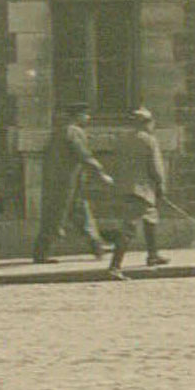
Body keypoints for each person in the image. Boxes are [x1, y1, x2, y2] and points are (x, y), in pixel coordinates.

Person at [40, 104, 112, 265]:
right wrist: (101, 174)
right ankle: (41, 253)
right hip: (66, 182)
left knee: (81, 213)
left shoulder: (60, 130)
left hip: (65, 180)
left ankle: (97, 246)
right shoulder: (73, 132)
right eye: (85, 115)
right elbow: (84, 156)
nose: (88, 118)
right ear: (77, 116)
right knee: (56, 216)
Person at [107, 107, 169, 277]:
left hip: (126, 187)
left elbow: (116, 164)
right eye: (151, 122)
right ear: (147, 123)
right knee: (129, 228)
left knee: (151, 218)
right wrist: (161, 185)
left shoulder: (123, 139)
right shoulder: (149, 140)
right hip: (141, 190)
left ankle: (153, 255)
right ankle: (115, 267)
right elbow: (156, 167)